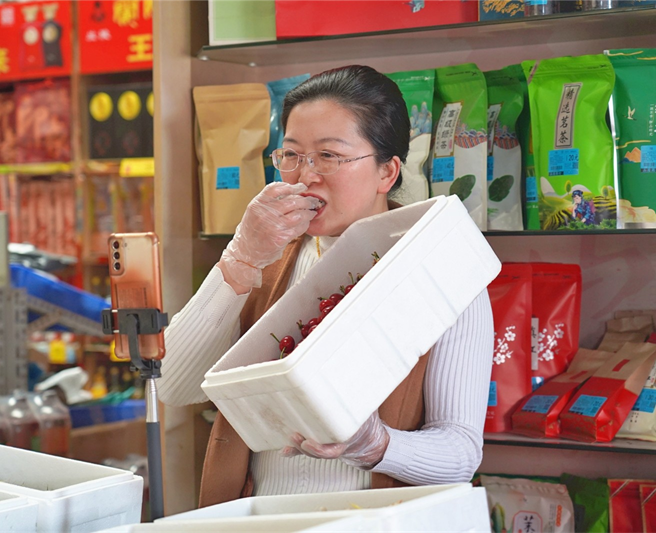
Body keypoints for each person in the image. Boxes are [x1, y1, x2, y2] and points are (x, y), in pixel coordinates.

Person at [156, 65, 493, 507]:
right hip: (262, 517)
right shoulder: (269, 253)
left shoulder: (440, 272)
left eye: (329, 156)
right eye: (292, 155)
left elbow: (461, 453)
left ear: (387, 173)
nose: (305, 175)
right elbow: (173, 387)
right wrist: (240, 258)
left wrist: (377, 446)